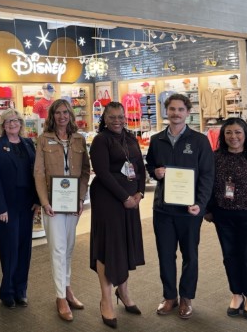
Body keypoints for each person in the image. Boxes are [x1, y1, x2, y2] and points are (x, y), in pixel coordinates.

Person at [145, 93, 216, 318]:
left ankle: (186, 297)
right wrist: (155, 172)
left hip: (189, 210)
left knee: (190, 256)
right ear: (166, 111)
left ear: (187, 112)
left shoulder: (199, 141)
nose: (176, 113)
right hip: (163, 209)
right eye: (172, 109)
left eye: (180, 109)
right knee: (165, 255)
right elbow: (150, 165)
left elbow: (207, 175)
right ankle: (169, 297)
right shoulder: (156, 140)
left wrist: (201, 204)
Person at [33, 99, 92, 321]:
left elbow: (85, 171)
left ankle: (67, 289)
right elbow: (39, 173)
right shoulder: (43, 139)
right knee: (57, 249)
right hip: (52, 204)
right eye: (58, 113)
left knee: (68, 247)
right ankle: (60, 297)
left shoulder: (79, 139)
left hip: (72, 203)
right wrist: (44, 201)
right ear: (52, 116)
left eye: (65, 112)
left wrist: (81, 198)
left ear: (70, 115)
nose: (62, 116)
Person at [90, 101, 147, 328]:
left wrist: (140, 193)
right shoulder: (100, 140)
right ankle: (106, 300)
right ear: (104, 118)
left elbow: (140, 167)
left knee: (124, 244)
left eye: (120, 117)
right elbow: (102, 173)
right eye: (112, 117)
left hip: (131, 201)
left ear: (125, 117)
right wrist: (125, 197)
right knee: (108, 246)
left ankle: (123, 292)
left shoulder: (130, 137)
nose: (117, 121)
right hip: (109, 201)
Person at [209, 117, 247, 320]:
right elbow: (206, 184)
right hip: (224, 216)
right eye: (228, 132)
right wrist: (208, 210)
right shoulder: (215, 158)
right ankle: (236, 294)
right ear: (223, 135)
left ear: (245, 135)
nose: (233, 136)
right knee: (230, 256)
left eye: (237, 132)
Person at [0, 110, 36, 309]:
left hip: (27, 204)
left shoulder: (29, 144)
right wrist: (0, 207)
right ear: (3, 125)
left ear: (21, 123)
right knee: (10, 248)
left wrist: (37, 200)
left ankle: (21, 290)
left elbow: (36, 174)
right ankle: (7, 291)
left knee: (24, 248)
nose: (12, 124)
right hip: (7, 206)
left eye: (15, 120)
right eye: (7, 121)